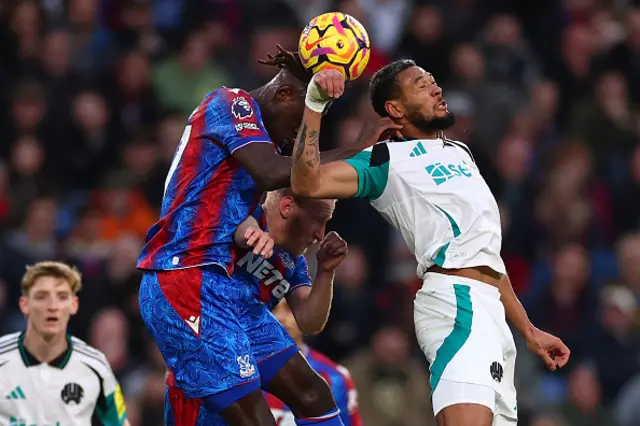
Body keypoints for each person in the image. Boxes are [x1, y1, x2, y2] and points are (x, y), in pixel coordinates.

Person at [288, 59, 571, 426]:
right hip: (454, 302)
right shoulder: (384, 160)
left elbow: (487, 257)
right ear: (395, 109)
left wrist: (529, 331)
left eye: (434, 82)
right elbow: (306, 183)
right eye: (421, 85)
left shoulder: (461, 153)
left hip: (493, 315)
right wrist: (314, 104)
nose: (436, 89)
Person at [136, 42, 363, 426]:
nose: (298, 137)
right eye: (298, 123)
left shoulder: (285, 246)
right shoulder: (231, 103)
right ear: (284, 94)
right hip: (185, 275)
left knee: (314, 394)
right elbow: (274, 173)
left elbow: (227, 200)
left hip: (229, 294)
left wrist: (246, 229)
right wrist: (357, 147)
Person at [162, 188, 349, 425]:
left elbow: (310, 323)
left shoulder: (293, 261)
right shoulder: (235, 214)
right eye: (318, 220)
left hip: (245, 351)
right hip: (203, 357)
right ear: (287, 206)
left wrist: (325, 271)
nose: (321, 234)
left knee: (313, 394)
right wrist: (248, 231)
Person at [0, 261, 129, 426]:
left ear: (74, 305)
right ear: (25, 305)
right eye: (41, 297)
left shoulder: (96, 365)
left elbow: (119, 422)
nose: (52, 306)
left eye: (62, 297)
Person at [265, 300, 362, 426]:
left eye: (289, 309)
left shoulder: (335, 378)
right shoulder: (237, 373)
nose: (279, 317)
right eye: (270, 309)